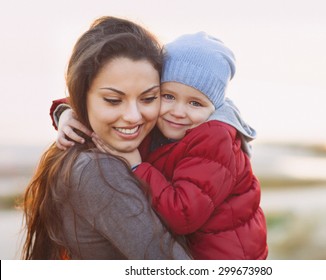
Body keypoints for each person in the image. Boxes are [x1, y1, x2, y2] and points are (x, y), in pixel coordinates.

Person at [50, 32, 268, 260]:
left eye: (195, 103)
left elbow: (183, 215)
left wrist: (137, 167)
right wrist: (67, 113)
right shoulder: (160, 121)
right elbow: (111, 97)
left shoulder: (215, 140)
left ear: (214, 107)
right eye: (168, 96)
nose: (178, 111)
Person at [22, 16, 191, 260]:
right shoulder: (97, 170)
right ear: (81, 97)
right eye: (113, 100)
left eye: (148, 98)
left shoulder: (134, 146)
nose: (133, 116)